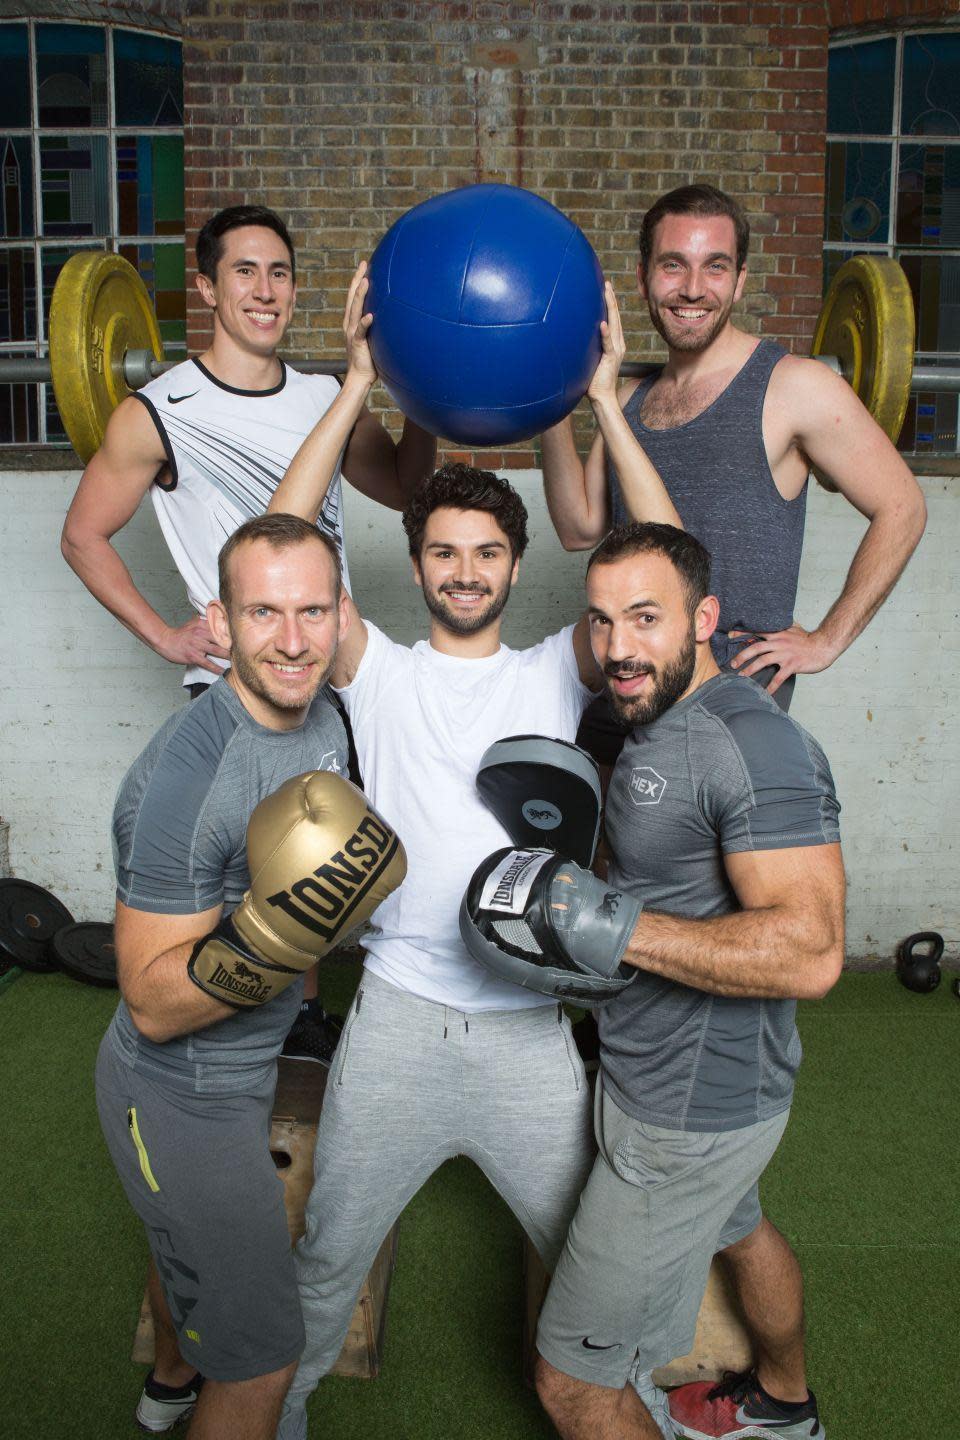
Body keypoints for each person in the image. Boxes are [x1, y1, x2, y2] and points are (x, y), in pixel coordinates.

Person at [263, 266, 676, 1440]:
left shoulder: (557, 667)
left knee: (591, 1264)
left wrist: (600, 398)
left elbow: (661, 558)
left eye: (483, 554)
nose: (461, 571)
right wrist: (352, 385)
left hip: (524, 1037)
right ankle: (276, 1413)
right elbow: (282, 547)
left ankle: (635, 1407)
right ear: (419, 560)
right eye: (441, 552)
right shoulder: (375, 669)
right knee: (329, 1254)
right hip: (393, 1022)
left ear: (513, 561)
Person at [61, 203, 434, 1062]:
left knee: (317, 852)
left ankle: (300, 1017)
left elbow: (408, 483)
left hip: (332, 665)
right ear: (205, 285)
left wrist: (423, 388)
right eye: (244, 272)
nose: (265, 292)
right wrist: (164, 635)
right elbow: (82, 534)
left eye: (280, 273)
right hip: (243, 681)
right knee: (245, 867)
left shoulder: (320, 396)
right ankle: (227, 1036)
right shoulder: (158, 411)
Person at [513, 522, 846, 1440]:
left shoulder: (752, 743)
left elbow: (811, 949)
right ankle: (785, 1404)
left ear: (704, 618)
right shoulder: (657, 723)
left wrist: (611, 928)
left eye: (647, 618)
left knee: (570, 1383)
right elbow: (669, 889)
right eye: (602, 621)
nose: (619, 648)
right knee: (740, 1227)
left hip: (687, 1113)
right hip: (677, 1078)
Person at [94, 513, 403, 1440]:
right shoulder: (188, 779)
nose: (294, 640)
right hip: (178, 1096)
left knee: (191, 1258)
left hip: (243, 1076)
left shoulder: (326, 718)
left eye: (313, 610)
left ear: (342, 613)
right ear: (221, 624)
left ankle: (170, 1386)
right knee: (267, 1358)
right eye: (263, 614)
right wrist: (288, 931)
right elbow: (150, 1002)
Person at [541, 183, 926, 715]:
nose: (693, 289)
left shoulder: (796, 387)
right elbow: (577, 527)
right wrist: (549, 394)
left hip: (730, 703)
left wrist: (827, 639)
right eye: (673, 265)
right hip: (632, 685)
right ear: (643, 277)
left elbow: (903, 507)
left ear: (740, 280)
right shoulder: (627, 397)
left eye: (715, 267)